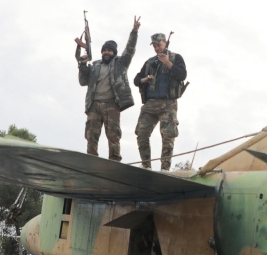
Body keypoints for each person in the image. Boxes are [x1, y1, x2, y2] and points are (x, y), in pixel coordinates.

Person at [76, 16, 141, 161]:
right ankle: (91, 161)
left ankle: (115, 161)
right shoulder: (95, 66)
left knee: (114, 136)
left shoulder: (120, 64)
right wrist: (82, 65)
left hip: (112, 104)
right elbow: (83, 81)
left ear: (114, 53)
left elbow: (129, 50)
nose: (106, 52)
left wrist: (134, 32)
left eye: (109, 51)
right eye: (104, 50)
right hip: (94, 104)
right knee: (91, 135)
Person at [133, 32, 187, 170]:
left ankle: (165, 169)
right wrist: (145, 79)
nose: (157, 48)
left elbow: (182, 75)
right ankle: (146, 166)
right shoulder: (150, 62)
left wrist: (168, 63)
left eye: (159, 45)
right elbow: (136, 79)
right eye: (155, 46)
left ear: (165, 43)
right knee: (141, 133)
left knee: (168, 136)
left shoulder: (175, 58)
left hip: (168, 103)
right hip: (150, 103)